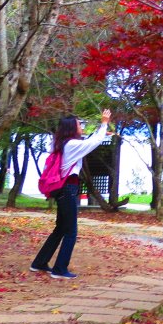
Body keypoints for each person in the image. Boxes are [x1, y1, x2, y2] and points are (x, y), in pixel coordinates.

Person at [31, 109, 111, 279]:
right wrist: (104, 122)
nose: (81, 126)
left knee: (61, 228)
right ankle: (60, 269)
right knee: (71, 231)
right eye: (78, 124)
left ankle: (39, 262)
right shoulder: (72, 145)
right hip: (68, 189)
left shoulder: (61, 144)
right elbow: (93, 143)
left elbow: (90, 141)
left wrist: (100, 132)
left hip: (63, 189)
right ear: (71, 128)